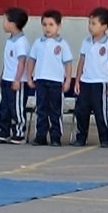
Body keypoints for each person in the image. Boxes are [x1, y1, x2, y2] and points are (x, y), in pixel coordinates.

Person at [72, 7, 108, 148]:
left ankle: (105, 138)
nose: (90, 27)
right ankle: (81, 138)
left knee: (101, 112)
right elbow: (81, 61)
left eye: (94, 23)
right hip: (86, 82)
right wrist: (78, 79)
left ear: (104, 26)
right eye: (89, 23)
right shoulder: (86, 42)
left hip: (101, 82)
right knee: (81, 111)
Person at [28, 10, 74, 147]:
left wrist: (68, 81)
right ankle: (40, 135)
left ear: (58, 26)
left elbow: (68, 63)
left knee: (55, 110)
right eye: (44, 24)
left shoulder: (62, 44)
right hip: (41, 80)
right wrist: (30, 77)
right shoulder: (38, 43)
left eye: (51, 24)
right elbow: (32, 60)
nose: (47, 28)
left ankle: (56, 136)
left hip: (56, 82)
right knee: (41, 109)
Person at [0, 7, 30, 145]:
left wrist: (17, 80)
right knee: (4, 107)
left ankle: (19, 133)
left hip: (17, 81)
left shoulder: (21, 42)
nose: (3, 23)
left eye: (5, 20)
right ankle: (4, 131)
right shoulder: (11, 40)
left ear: (13, 23)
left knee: (16, 108)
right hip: (7, 79)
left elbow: (22, 63)